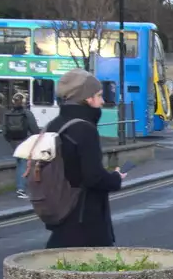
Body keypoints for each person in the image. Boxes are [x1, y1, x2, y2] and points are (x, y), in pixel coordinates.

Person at [43, 69, 126, 249]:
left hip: (60, 212)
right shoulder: (85, 129)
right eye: (99, 95)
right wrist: (115, 178)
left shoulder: (54, 125)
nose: (102, 101)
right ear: (88, 98)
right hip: (85, 217)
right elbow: (93, 177)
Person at [2, 91, 39, 200]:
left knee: (19, 162)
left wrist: (9, 139)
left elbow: (4, 129)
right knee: (23, 163)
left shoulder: (7, 113)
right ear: (24, 102)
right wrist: (36, 138)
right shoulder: (27, 113)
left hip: (13, 141)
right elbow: (34, 128)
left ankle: (21, 186)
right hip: (25, 140)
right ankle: (21, 189)